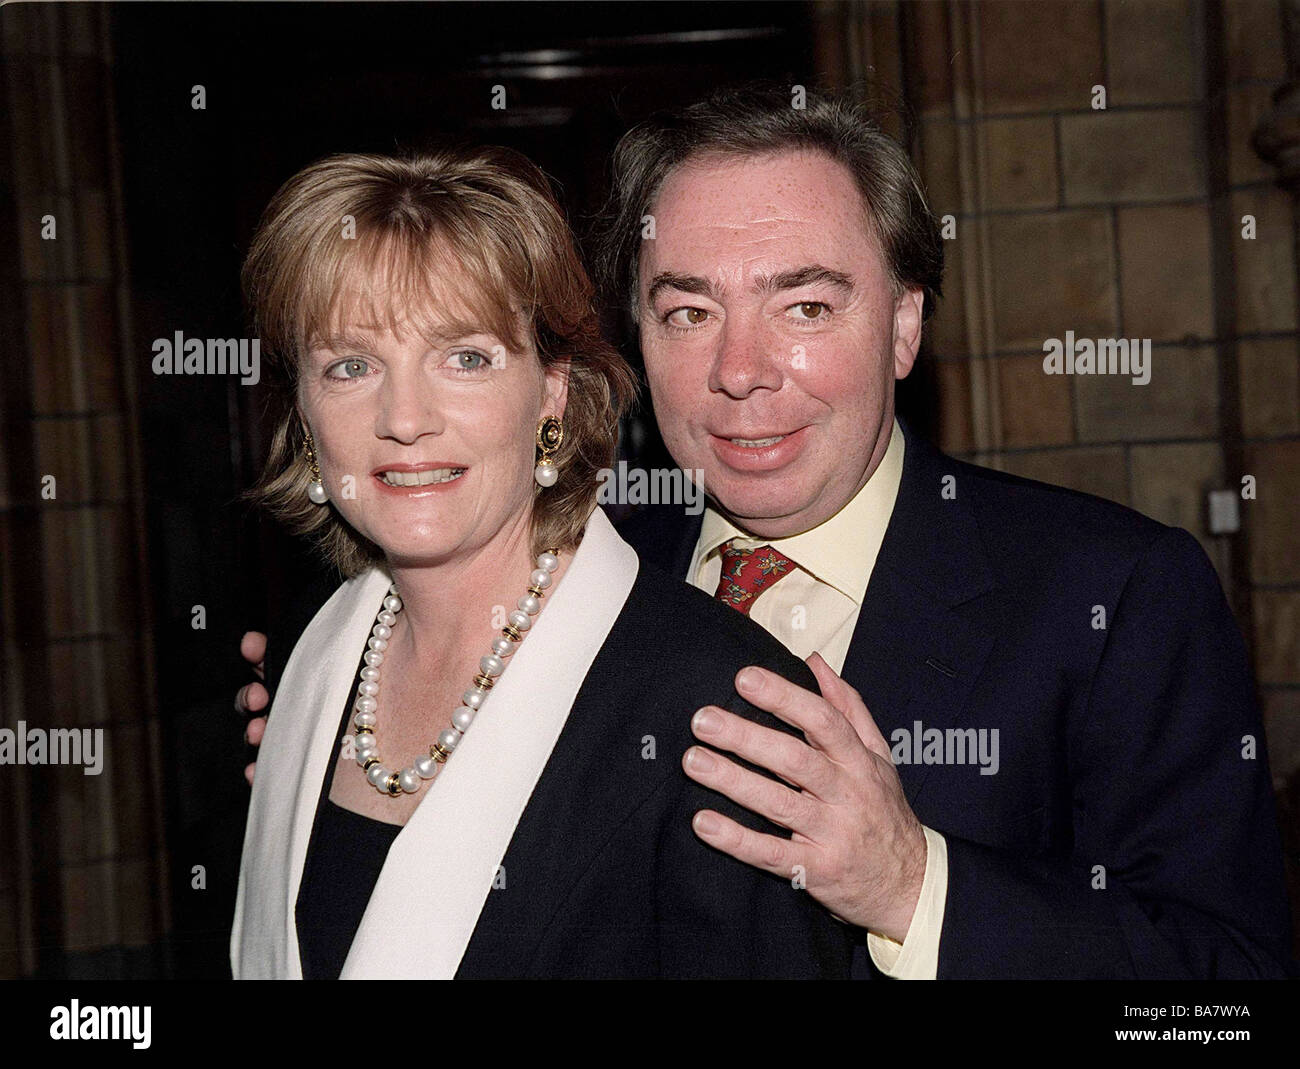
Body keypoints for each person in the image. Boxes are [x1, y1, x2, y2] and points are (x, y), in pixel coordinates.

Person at [240, 86, 1295, 979]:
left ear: (902, 325)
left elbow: (1224, 994)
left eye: (802, 307)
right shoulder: (556, 576)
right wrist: (345, 760)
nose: (739, 370)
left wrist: (914, 887)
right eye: (688, 312)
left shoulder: (1109, 598)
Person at [229, 145, 853, 979]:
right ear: (303, 413)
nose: (404, 418)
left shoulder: (718, 710)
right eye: (351, 365)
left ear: (552, 391)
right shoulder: (306, 659)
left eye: (466, 358)